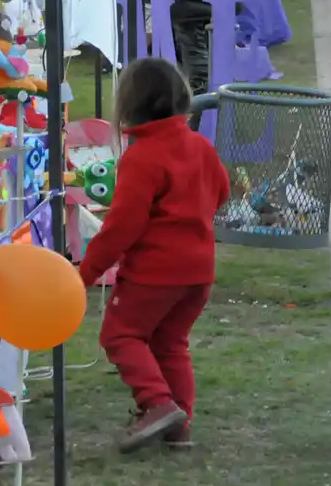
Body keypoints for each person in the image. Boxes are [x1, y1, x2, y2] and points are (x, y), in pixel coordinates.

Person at [79, 58, 231, 451]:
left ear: (130, 105)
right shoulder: (199, 145)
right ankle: (180, 424)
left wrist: (85, 270)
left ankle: (158, 405)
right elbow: (223, 191)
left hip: (155, 272)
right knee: (170, 343)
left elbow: (122, 226)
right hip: (199, 270)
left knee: (120, 333)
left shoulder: (142, 156)